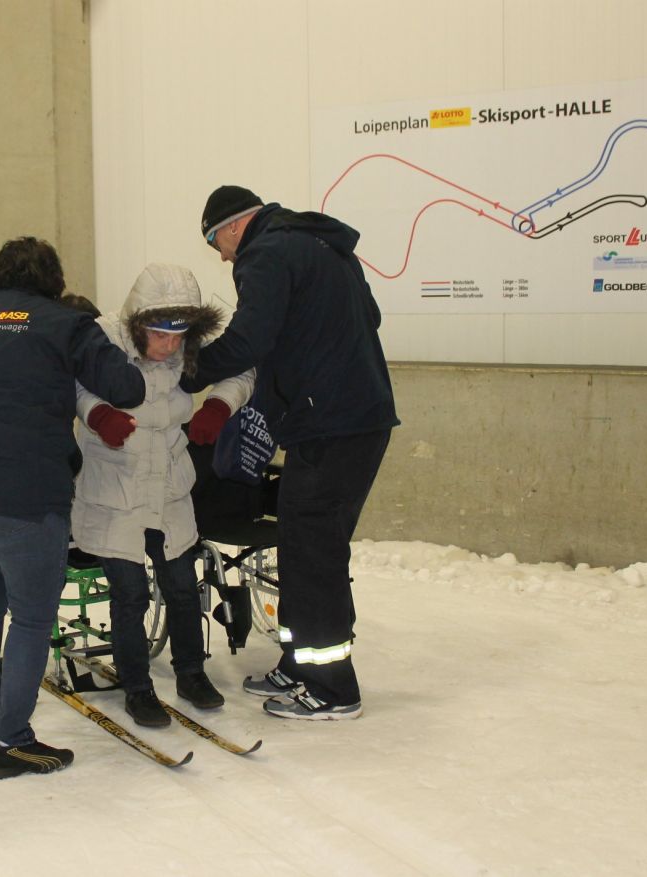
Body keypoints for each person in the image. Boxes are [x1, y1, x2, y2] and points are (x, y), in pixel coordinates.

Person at [0, 237, 145, 779]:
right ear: (53, 279)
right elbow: (128, 387)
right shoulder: (60, 322)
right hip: (22, 489)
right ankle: (13, 741)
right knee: (29, 617)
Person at [187, 185, 400, 721]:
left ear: (235, 226)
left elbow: (248, 340)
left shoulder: (266, 254)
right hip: (352, 418)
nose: (221, 255)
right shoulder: (321, 245)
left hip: (332, 425)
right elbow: (369, 318)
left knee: (314, 548)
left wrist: (185, 367)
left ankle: (332, 688)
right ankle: (297, 664)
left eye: (217, 242)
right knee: (301, 539)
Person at [72, 263, 253, 727]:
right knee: (130, 594)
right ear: (137, 324)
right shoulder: (102, 339)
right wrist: (97, 415)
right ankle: (137, 687)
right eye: (159, 335)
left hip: (170, 483)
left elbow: (244, 370)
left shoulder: (191, 344)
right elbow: (71, 380)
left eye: (179, 336)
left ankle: (192, 673)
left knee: (181, 585)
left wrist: (218, 404)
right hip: (114, 486)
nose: (170, 346)